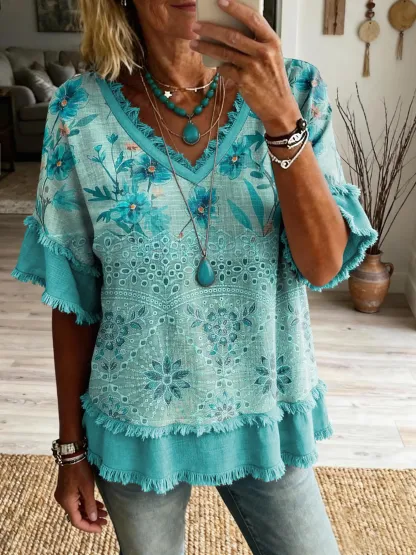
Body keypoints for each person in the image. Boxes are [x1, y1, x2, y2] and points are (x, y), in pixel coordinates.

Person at [11, 0, 378, 553]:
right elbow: (75, 299)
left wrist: (281, 120)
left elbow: (323, 265)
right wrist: (71, 450)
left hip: (265, 408)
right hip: (138, 422)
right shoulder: (77, 114)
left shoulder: (297, 89)